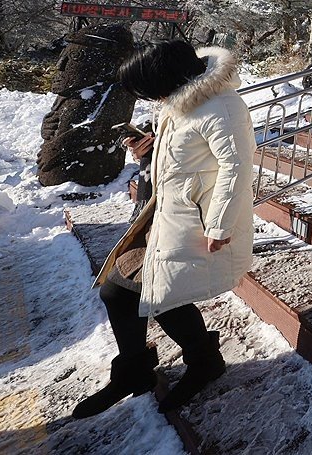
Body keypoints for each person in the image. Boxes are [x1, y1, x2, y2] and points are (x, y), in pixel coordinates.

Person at [72, 40, 254, 419]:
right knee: (119, 291)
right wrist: (149, 152)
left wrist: (219, 225)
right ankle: (137, 370)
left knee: (161, 295)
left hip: (194, 219)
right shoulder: (182, 101)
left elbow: (236, 168)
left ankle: (202, 362)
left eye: (148, 89)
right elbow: (188, 153)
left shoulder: (221, 105)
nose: (151, 98)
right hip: (165, 213)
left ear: (166, 78)